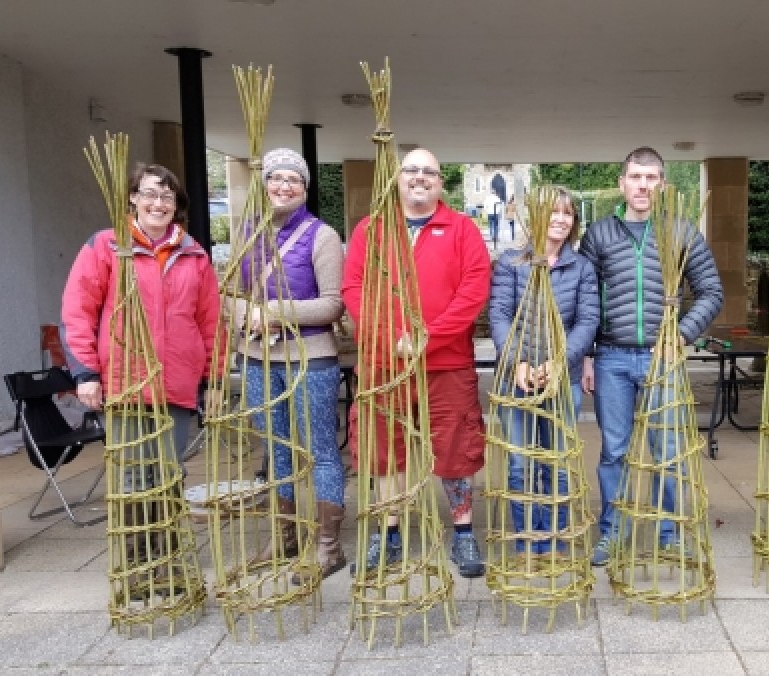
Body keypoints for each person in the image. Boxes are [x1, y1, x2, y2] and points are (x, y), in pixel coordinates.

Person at [342, 147, 492, 577]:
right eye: (411, 170)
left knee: (457, 447)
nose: (420, 177)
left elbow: (473, 290)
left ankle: (463, 533)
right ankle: (388, 534)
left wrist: (430, 337)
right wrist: (389, 338)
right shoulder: (372, 229)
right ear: (398, 179)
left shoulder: (462, 229)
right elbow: (354, 289)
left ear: (441, 182)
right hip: (385, 365)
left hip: (446, 364)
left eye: (429, 171)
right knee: (385, 449)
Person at [578, 146, 724, 566]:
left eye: (651, 178)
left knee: (668, 448)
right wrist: (587, 355)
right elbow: (586, 299)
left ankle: (669, 533)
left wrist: (681, 334)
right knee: (615, 450)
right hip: (612, 357)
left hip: (664, 358)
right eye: (635, 177)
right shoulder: (599, 234)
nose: (643, 185)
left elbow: (711, 292)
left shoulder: (682, 232)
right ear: (622, 183)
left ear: (663, 184)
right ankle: (613, 531)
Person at [62, 163, 219, 472]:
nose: (158, 204)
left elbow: (211, 323)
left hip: (176, 383)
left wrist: (213, 380)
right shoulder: (107, 246)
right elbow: (77, 312)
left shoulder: (194, 254)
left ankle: (168, 507)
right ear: (133, 197)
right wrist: (86, 374)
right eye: (150, 194)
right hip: (125, 383)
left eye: (167, 197)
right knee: (132, 478)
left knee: (169, 473)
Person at [236, 147, 348, 578]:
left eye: (294, 180)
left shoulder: (322, 236)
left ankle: (328, 546)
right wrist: (246, 315)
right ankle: (285, 535)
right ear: (264, 184)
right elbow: (229, 294)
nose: (284, 186)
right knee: (275, 446)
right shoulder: (248, 232)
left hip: (311, 357)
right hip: (257, 357)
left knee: (320, 449)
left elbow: (333, 304)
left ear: (304, 188)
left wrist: (275, 312)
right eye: (276, 178)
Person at [489, 187, 599, 556]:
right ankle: (527, 538)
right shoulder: (511, 263)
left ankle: (556, 535)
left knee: (558, 462)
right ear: (536, 215)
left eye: (567, 214)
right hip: (516, 379)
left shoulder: (581, 267)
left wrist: (558, 362)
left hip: (562, 378)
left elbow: (587, 321)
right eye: (553, 211)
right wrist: (518, 362)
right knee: (520, 463)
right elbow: (500, 315)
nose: (560, 220)